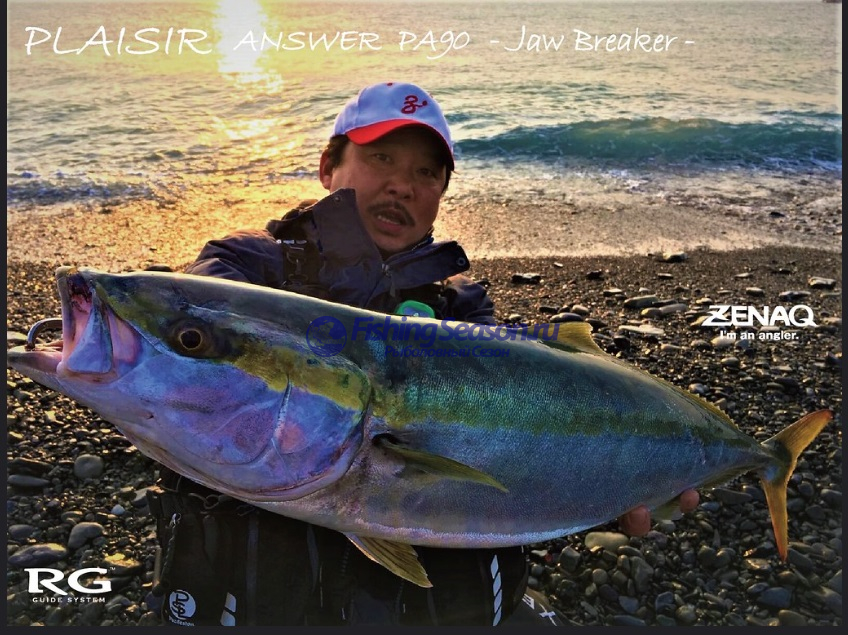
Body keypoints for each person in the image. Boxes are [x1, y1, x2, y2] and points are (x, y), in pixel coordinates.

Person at [145, 81, 698, 627]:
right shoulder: (244, 267)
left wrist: (607, 479)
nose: (402, 186)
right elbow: (180, 359)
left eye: (426, 173)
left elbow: (517, 430)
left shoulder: (461, 308)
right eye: (381, 157)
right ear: (328, 167)